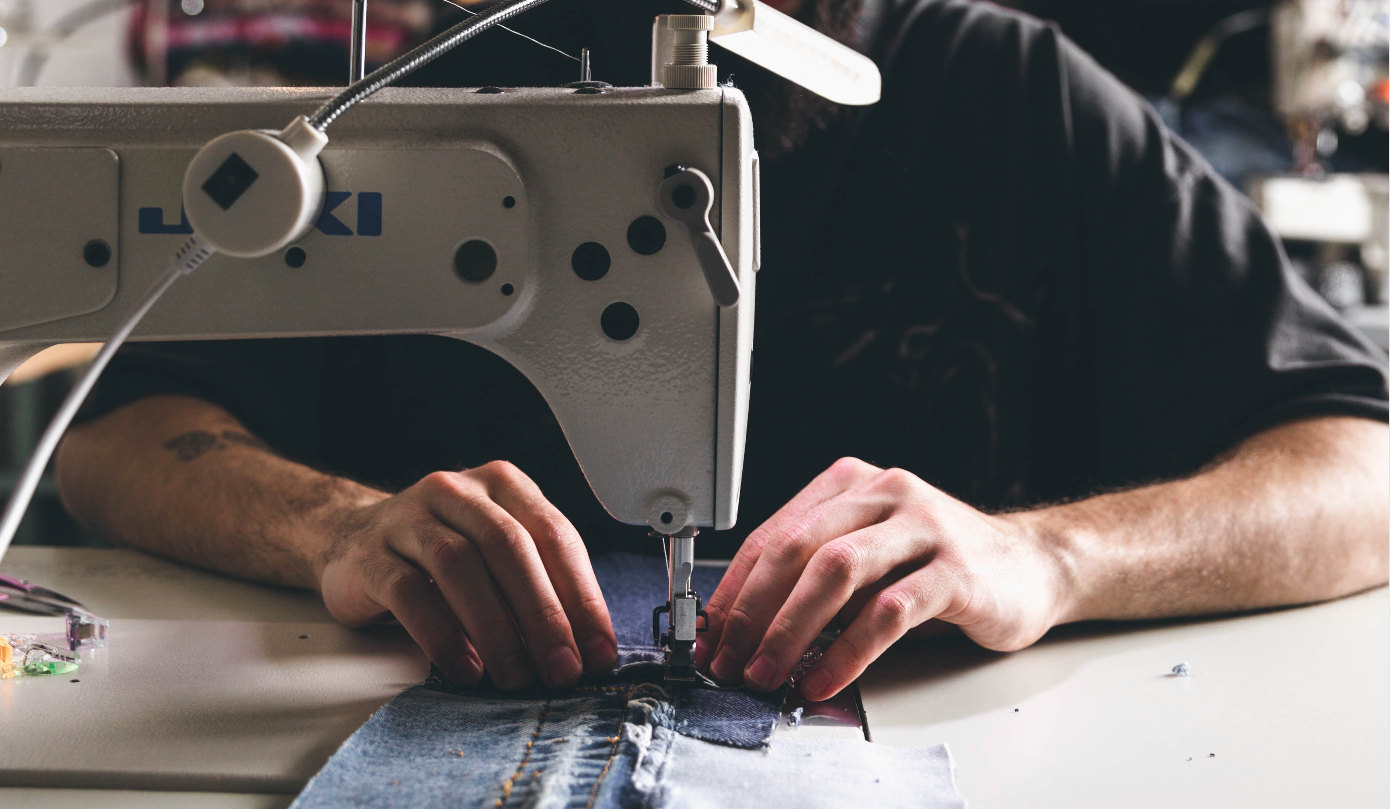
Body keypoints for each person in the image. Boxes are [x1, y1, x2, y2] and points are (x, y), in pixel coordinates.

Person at [55, 0, 1388, 703]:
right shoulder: (402, 121)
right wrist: (338, 529)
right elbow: (116, 437)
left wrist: (1046, 557)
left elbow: (1361, 472)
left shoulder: (1018, 100)